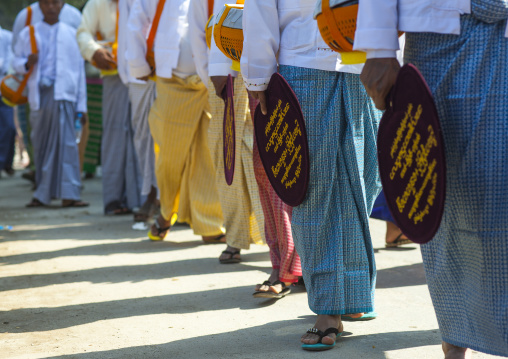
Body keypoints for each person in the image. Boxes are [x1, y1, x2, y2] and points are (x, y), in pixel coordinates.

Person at [355, 1, 508, 358]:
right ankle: (455, 336)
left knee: (501, 194)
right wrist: (379, 47)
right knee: (439, 189)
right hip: (436, 32)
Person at [243, 0, 382, 349]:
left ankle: (352, 291)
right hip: (302, 67)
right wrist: (258, 76)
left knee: (364, 181)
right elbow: (260, 10)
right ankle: (327, 310)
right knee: (314, 192)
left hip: (363, 67)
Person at [127, 0, 225, 243]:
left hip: (212, 80)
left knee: (209, 152)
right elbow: (136, 23)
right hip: (172, 81)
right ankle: (165, 212)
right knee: (169, 156)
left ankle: (210, 225)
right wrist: (138, 64)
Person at [188, 0, 265, 263]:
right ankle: (235, 238)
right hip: (223, 81)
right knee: (227, 157)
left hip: (263, 72)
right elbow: (199, 34)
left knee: (263, 154)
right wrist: (212, 72)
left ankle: (277, 240)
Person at [13, 0, 88, 208]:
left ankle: (70, 193)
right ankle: (42, 194)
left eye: (56, 3)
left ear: (62, 5)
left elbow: (79, 72)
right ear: (40, 6)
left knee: (68, 145)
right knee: (42, 145)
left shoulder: (72, 33)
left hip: (66, 95)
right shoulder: (28, 33)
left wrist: (82, 105)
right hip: (41, 95)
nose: (51, 8)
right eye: (47, 3)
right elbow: (15, 62)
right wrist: (27, 63)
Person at [77, 0, 142, 215]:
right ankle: (115, 199)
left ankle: (145, 199)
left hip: (145, 74)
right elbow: (83, 32)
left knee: (143, 134)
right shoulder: (97, 4)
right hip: (113, 75)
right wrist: (93, 51)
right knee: (115, 133)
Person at [118, 0, 159, 222]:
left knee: (171, 138)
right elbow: (128, 29)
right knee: (144, 139)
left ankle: (174, 201)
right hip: (139, 75)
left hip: (175, 71)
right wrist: (134, 68)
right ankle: (151, 195)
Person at [0, 26, 16, 177]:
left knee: (9, 128)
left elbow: (9, 65)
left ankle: (5, 163)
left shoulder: (7, 37)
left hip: (4, 91)